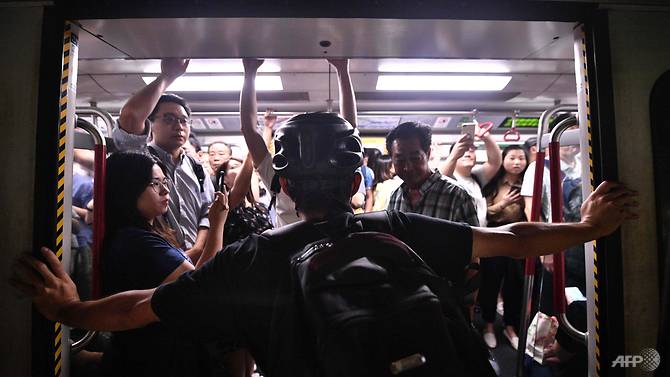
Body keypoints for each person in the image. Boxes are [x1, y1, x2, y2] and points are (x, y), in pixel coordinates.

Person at [12, 113, 637, 377]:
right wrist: (588, 229)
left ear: (280, 182)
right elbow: (510, 239)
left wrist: (68, 310)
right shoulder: (395, 228)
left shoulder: (249, 258)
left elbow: (140, 307)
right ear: (356, 179)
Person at [100, 151, 229, 377]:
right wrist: (217, 224)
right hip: (158, 356)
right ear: (129, 189)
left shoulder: (146, 233)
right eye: (154, 183)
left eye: (165, 181)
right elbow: (199, 288)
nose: (165, 189)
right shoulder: (138, 242)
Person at [113, 58, 216, 264]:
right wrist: (167, 77)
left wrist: (197, 249)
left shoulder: (196, 168)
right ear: (150, 124)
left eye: (183, 120)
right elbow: (131, 116)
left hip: (196, 261)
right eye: (168, 119)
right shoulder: (141, 160)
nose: (179, 126)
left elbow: (207, 210)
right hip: (153, 261)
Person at [241, 58, 360, 226]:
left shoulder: (278, 176)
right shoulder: (335, 170)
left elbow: (249, 130)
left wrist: (250, 73)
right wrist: (342, 70)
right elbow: (350, 127)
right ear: (355, 184)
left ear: (286, 187)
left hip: (290, 249)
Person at [478, 145, 529, 350]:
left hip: (519, 239)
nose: (517, 162)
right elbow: (484, 213)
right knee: (490, 282)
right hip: (494, 236)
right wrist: (504, 203)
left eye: (521, 158)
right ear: (503, 160)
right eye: (512, 158)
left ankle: (510, 327)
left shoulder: (528, 184)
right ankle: (488, 326)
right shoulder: (492, 184)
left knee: (515, 284)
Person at [386, 121, 479, 226]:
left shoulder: (458, 196)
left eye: (415, 158)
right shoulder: (395, 197)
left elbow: (477, 241)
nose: (408, 167)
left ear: (428, 153)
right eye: (400, 160)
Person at [440, 130, 502, 227]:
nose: (468, 154)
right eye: (463, 151)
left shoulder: (476, 177)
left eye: (472, 150)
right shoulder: (450, 178)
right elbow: (440, 180)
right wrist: (454, 154)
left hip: (480, 234)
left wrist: (486, 137)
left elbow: (495, 162)